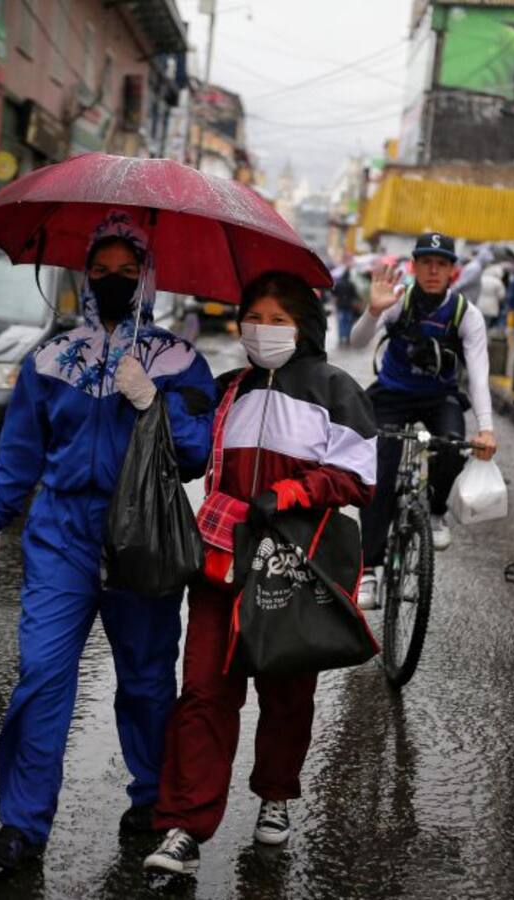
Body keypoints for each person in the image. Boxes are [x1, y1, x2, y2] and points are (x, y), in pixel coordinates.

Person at [0, 212, 216, 870]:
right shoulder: (50, 357)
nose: (110, 281)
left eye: (126, 271)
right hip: (62, 535)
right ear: (84, 276)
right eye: (100, 270)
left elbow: (198, 451)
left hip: (144, 532)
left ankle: (152, 798)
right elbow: (23, 445)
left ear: (148, 278)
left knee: (144, 680)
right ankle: (22, 825)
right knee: (43, 673)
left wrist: (150, 402)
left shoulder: (180, 361)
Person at [143, 271, 376, 876]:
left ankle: (276, 795)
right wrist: (151, 400)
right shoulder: (225, 391)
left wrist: (296, 490)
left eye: (278, 320)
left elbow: (360, 475)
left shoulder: (335, 389)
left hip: (293, 564)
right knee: (203, 691)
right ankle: (184, 827)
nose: (263, 330)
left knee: (287, 691)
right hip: (221, 557)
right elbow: (188, 454)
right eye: (254, 318)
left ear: (302, 327)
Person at [348, 232, 496, 608]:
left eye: (441, 263)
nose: (433, 270)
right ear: (414, 266)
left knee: (452, 446)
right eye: (426, 262)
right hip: (392, 394)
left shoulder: (467, 314)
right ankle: (369, 569)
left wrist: (487, 428)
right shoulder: (399, 301)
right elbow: (356, 342)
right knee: (378, 472)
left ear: (453, 271)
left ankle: (435, 511)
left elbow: (478, 374)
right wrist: (374, 311)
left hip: (438, 397)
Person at [331, 265, 361, 346]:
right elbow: (355, 295)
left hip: (340, 306)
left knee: (341, 322)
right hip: (349, 306)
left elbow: (334, 294)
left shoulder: (338, 284)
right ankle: (347, 338)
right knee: (348, 322)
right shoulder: (351, 284)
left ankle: (341, 338)